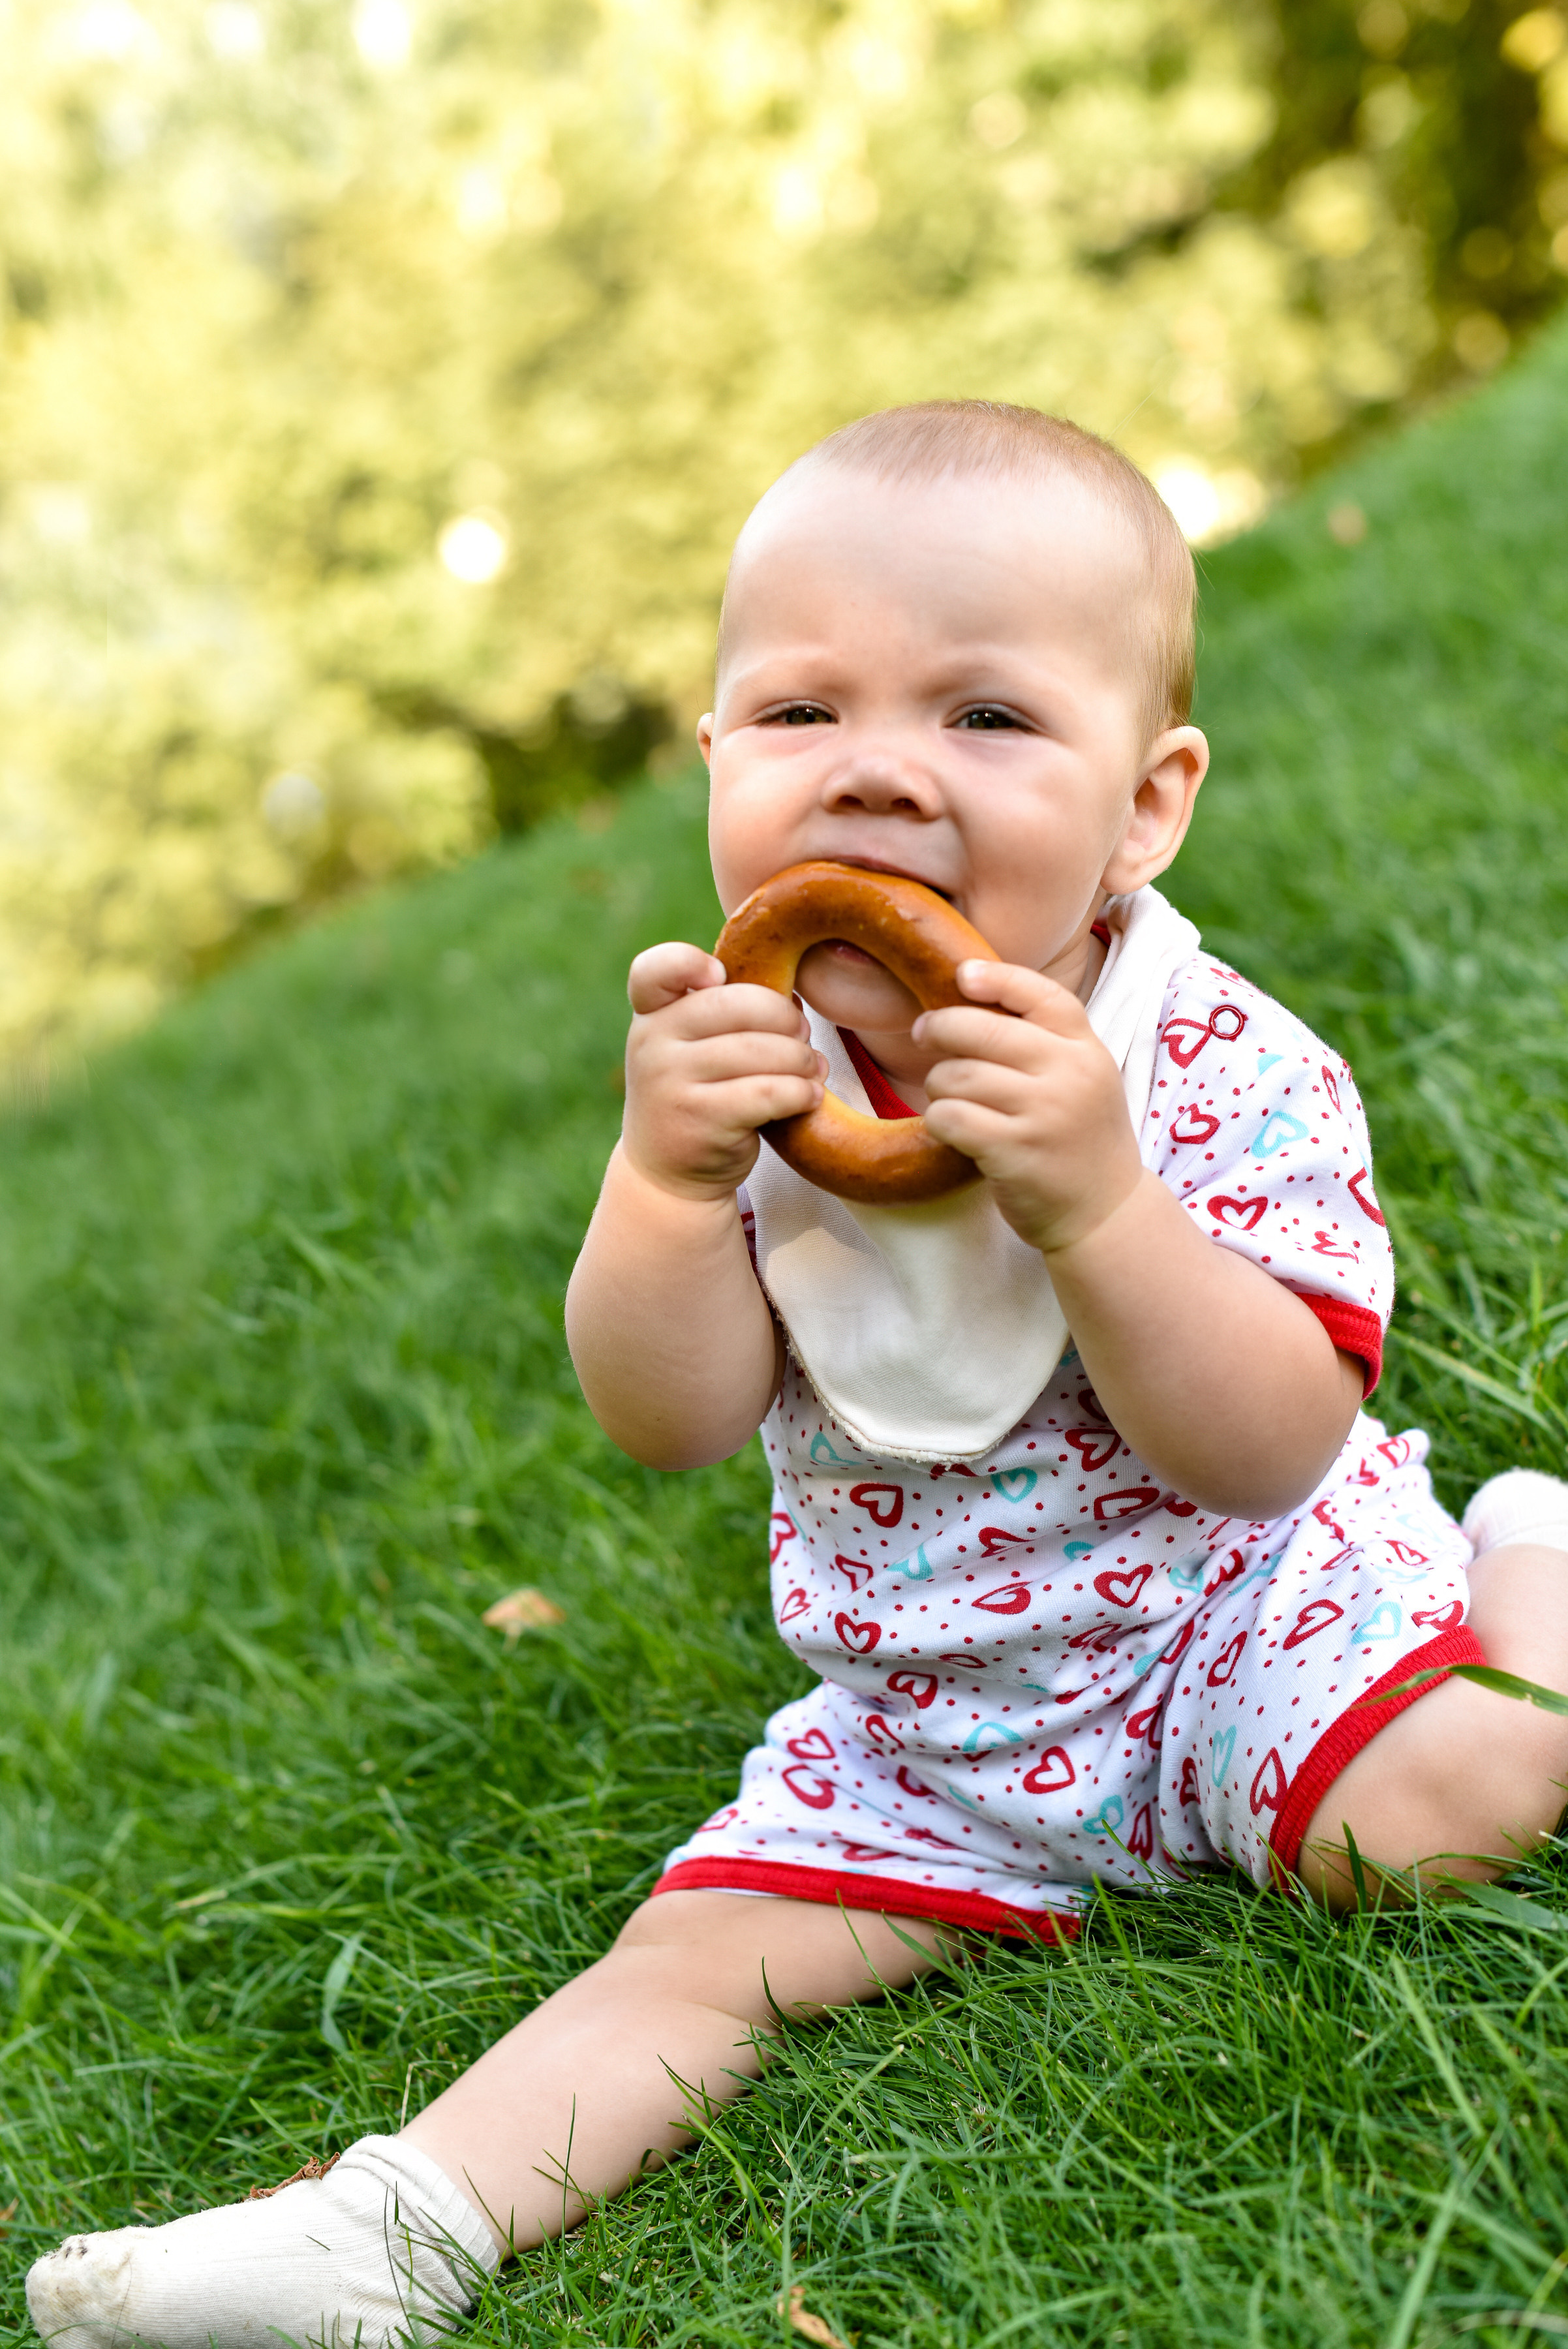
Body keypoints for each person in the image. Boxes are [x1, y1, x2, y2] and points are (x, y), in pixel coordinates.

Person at [28, 401, 1568, 2349]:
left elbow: (1268, 1448)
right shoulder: (743, 1076)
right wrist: (666, 1186)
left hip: (1244, 1619)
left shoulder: (1207, 1070)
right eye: (798, 716)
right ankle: (374, 2243)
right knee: (683, 1961)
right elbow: (662, 1417)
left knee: (1436, 1808)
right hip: (931, 1713)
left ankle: (1528, 1555)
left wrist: (1098, 1207)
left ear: (1145, 803)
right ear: (712, 758)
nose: (877, 779)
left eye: (986, 719)